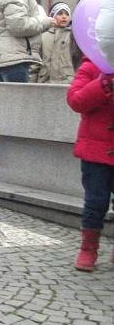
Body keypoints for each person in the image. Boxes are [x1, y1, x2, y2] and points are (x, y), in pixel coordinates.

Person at [66, 58, 114, 272]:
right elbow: (76, 100)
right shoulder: (91, 66)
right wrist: (102, 84)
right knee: (96, 201)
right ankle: (88, 248)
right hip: (95, 151)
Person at [36, 2, 78, 84]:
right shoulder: (43, 36)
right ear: (52, 16)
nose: (64, 16)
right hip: (45, 83)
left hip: (68, 82)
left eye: (67, 14)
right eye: (60, 13)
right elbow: (36, 63)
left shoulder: (74, 36)